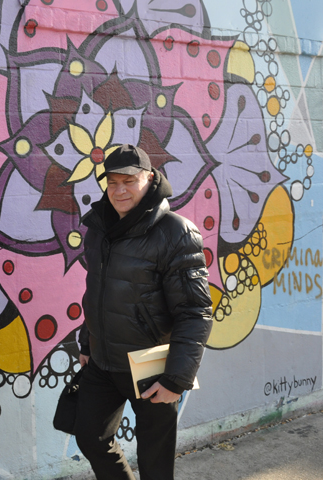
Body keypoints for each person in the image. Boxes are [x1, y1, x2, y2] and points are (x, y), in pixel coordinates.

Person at [74, 144, 213, 479]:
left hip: (151, 365)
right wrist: (86, 342)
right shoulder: (99, 228)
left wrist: (176, 380)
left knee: (155, 458)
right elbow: (99, 290)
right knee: (90, 436)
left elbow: (195, 311)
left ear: (149, 179)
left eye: (129, 181)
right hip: (103, 360)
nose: (120, 190)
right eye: (113, 182)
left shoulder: (175, 232)